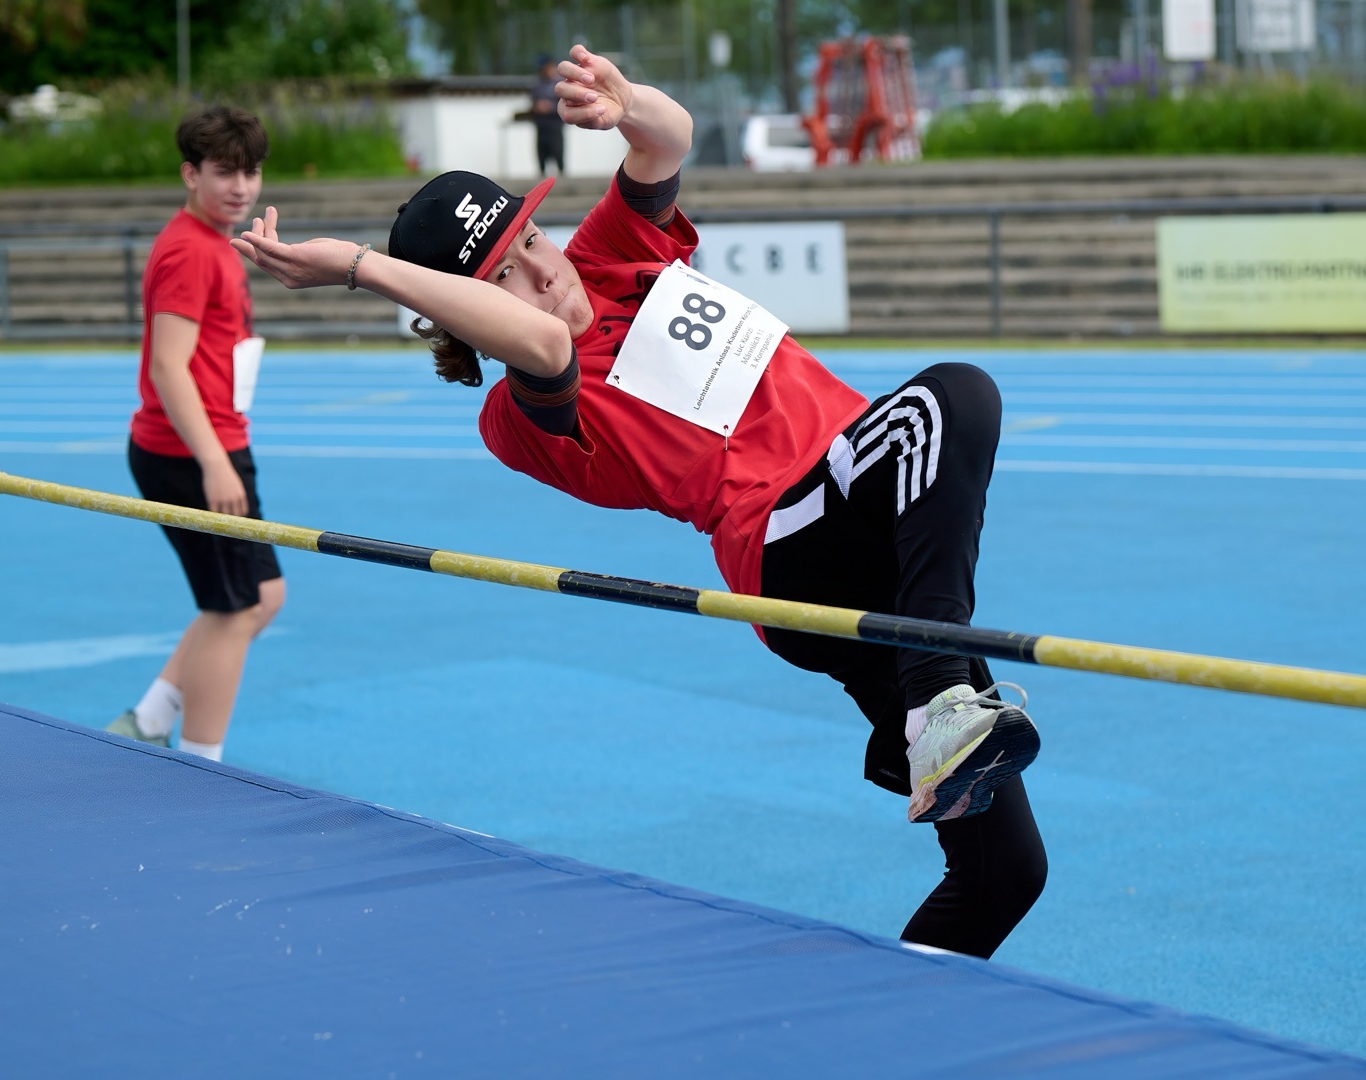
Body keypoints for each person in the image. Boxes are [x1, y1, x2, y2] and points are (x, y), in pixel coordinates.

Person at [231, 45, 1043, 959]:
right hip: (790, 541)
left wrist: (625, 104)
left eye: (530, 240)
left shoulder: (611, 254)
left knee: (1004, 874)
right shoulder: (517, 415)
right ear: (462, 314)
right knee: (952, 397)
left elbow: (669, 139)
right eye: (502, 277)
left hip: (872, 522)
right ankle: (934, 702)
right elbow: (544, 347)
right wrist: (361, 267)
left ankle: (894, 986)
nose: (543, 272)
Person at [105, 106, 285, 761]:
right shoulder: (189, 250)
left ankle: (149, 718)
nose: (241, 187)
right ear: (190, 174)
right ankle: (201, 765)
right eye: (224, 173)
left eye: (251, 172)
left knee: (261, 597)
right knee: (233, 610)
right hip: (189, 451)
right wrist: (213, 461)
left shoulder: (214, 243)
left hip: (210, 441)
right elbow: (166, 366)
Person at [532, 55, 565, 176]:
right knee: (542, 155)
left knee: (558, 152)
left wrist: (550, 107)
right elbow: (533, 102)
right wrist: (538, 107)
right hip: (542, 126)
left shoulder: (559, 85)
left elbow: (564, 104)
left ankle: (562, 178)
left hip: (554, 125)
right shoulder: (538, 85)